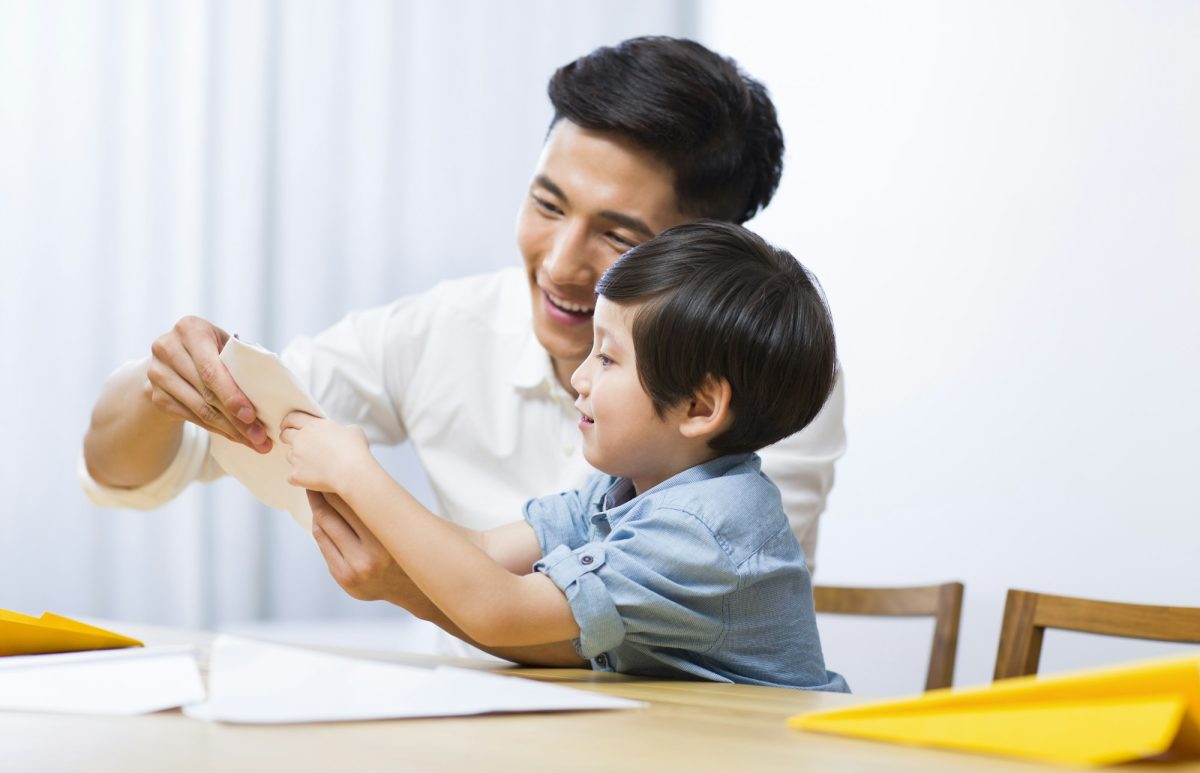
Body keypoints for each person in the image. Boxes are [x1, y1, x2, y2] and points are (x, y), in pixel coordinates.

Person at [80, 37, 846, 660]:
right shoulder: (594, 475)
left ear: (705, 258)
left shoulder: (757, 395)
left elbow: (563, 627)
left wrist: (370, 504)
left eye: (619, 236)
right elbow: (148, 462)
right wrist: (169, 382)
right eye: (547, 204)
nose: (559, 262)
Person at [281, 221, 848, 690]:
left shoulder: (706, 526)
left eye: (607, 358)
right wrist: (378, 537)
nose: (579, 377)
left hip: (776, 756)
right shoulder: (627, 489)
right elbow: (483, 551)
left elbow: (501, 608)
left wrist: (359, 476)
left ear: (699, 406)